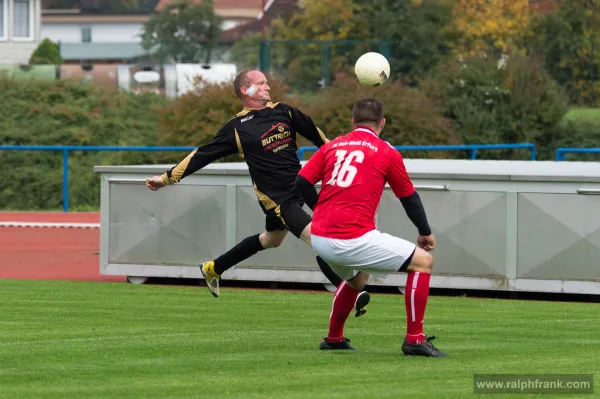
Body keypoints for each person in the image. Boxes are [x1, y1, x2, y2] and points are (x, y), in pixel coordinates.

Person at [145, 69, 370, 317]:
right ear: (246, 90)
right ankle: (349, 292)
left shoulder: (284, 111)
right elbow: (203, 154)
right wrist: (167, 178)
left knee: (272, 239)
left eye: (266, 83)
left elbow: (320, 138)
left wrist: (343, 158)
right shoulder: (237, 128)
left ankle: (213, 268)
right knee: (321, 240)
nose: (267, 87)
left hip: (298, 188)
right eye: (261, 83)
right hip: (277, 199)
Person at [295, 97, 447, 357]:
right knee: (423, 261)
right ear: (382, 123)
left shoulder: (331, 147)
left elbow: (301, 183)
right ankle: (414, 340)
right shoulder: (386, 151)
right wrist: (424, 231)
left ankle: (333, 339)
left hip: (319, 236)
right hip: (351, 238)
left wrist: (320, 208)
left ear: (352, 122)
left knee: (358, 278)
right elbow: (408, 197)